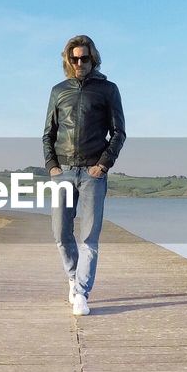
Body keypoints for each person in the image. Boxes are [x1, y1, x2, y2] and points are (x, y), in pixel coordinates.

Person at [42, 35, 126, 316]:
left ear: (93, 59)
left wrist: (103, 164)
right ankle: (72, 276)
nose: (80, 63)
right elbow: (48, 134)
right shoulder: (58, 91)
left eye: (85, 58)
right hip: (63, 172)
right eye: (75, 58)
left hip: (93, 172)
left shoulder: (108, 90)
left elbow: (119, 133)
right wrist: (52, 166)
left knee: (89, 237)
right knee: (60, 233)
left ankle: (81, 292)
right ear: (68, 60)